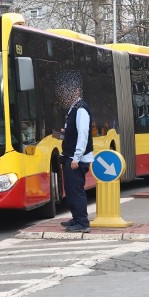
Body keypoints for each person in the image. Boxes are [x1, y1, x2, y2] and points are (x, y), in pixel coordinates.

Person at [59, 84, 94, 233]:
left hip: (77, 158)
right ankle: (76, 218)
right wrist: (66, 132)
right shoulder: (73, 108)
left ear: (76, 91)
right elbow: (75, 131)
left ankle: (82, 222)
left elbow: (83, 134)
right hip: (71, 155)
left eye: (68, 90)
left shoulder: (81, 109)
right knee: (71, 189)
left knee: (76, 190)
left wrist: (76, 157)